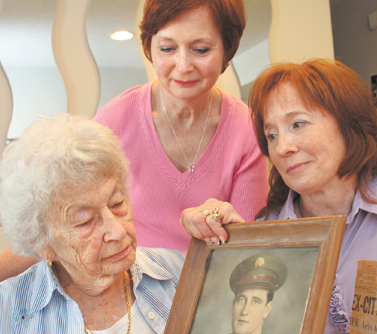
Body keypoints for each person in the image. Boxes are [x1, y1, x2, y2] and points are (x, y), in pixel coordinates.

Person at [180, 59, 377, 334]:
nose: (282, 147)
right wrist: (228, 249)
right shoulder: (269, 229)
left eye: (298, 124)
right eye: (271, 135)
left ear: (347, 124)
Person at [0, 0, 269, 281]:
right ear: (149, 49)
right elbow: (59, 219)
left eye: (200, 50)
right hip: (131, 288)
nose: (183, 65)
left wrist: (214, 218)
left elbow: (244, 247)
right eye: (167, 48)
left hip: (207, 288)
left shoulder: (245, 130)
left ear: (227, 49)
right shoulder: (115, 120)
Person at [0, 114, 184, 334]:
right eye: (85, 222)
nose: (117, 230)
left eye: (117, 205)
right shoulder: (9, 314)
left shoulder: (176, 274)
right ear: (43, 243)